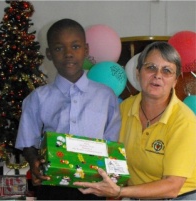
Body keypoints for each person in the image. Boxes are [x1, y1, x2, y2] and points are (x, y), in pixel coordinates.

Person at [74, 41, 196, 200]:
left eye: (167, 71)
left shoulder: (184, 121)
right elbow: (107, 154)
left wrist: (119, 192)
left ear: (175, 81)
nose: (157, 75)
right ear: (138, 73)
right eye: (151, 67)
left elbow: (172, 186)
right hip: (136, 195)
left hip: (180, 197)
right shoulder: (124, 109)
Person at [15, 18, 121, 200]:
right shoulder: (38, 98)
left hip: (94, 186)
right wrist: (34, 161)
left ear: (86, 50)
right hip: (52, 186)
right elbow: (27, 141)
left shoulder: (106, 96)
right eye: (59, 48)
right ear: (49, 54)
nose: (68, 54)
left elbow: (112, 143)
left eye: (75, 46)